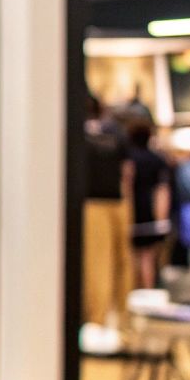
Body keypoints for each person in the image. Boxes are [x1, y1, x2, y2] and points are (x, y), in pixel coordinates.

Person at [80, 95, 133, 343]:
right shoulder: (117, 133)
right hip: (117, 203)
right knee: (120, 262)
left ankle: (97, 321)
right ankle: (119, 322)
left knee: (98, 265)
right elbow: (127, 173)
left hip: (93, 203)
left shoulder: (80, 135)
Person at [126, 120, 171, 291]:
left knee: (131, 257)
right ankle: (147, 292)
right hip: (150, 214)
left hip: (132, 212)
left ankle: (133, 293)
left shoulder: (129, 158)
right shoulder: (157, 160)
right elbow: (162, 191)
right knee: (147, 258)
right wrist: (161, 218)